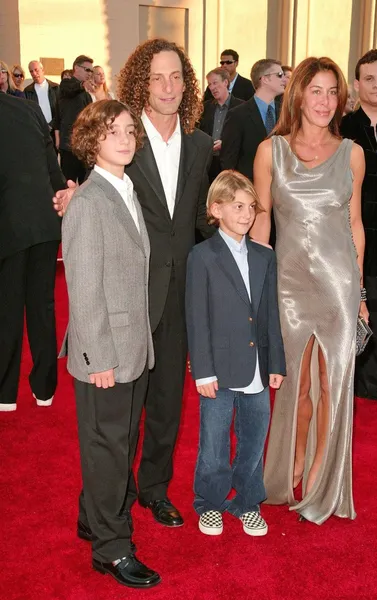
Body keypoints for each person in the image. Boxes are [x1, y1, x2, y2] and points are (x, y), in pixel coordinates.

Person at [53, 39, 214, 529]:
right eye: (156, 77)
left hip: (179, 292)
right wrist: (70, 196)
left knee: (167, 404)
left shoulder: (202, 144)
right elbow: (93, 190)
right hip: (126, 297)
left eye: (175, 77)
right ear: (141, 82)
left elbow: (201, 220)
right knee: (118, 416)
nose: (167, 87)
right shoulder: (123, 137)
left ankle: (154, 489)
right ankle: (108, 501)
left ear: (186, 84)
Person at [251, 56, 367, 524]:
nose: (325, 100)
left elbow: (355, 225)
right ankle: (291, 464)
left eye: (332, 92)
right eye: (316, 90)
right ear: (297, 93)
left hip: (339, 283)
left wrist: (359, 296)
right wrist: (252, 292)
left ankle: (320, 476)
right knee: (295, 385)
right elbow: (261, 223)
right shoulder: (270, 151)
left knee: (331, 383)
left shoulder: (351, 153)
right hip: (289, 284)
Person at [60, 99, 160, 589]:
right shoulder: (89, 201)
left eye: (128, 130)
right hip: (105, 351)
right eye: (112, 131)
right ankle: (111, 548)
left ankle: (92, 515)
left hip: (134, 344)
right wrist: (97, 356)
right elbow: (82, 286)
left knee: (119, 444)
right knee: (109, 448)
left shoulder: (126, 189)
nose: (125, 138)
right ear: (91, 141)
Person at [186, 170, 285, 537]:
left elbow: (270, 313)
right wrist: (202, 371)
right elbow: (197, 317)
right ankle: (209, 503)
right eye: (237, 206)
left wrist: (276, 361)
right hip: (218, 368)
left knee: (254, 437)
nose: (246, 214)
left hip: (258, 367)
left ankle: (246, 501)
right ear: (216, 209)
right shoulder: (202, 256)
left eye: (251, 207)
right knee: (213, 440)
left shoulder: (263, 256)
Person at [341, 49, 377, 404]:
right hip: (348, 236)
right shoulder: (342, 130)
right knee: (349, 310)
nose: (376, 85)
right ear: (357, 84)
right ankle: (348, 380)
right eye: (369, 78)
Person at [0, 92, 65, 411]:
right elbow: (51, 164)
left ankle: (5, 394)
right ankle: (45, 389)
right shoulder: (29, 109)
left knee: (7, 308)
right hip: (44, 221)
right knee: (42, 306)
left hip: (10, 224)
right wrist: (62, 199)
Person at [220, 58, 285, 181]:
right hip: (250, 189)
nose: (284, 79)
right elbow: (228, 161)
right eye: (279, 75)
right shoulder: (238, 115)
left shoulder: (285, 113)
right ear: (264, 79)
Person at [198, 67, 243, 182]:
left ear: (225, 82)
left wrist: (226, 143)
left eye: (215, 83)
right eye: (209, 84)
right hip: (208, 162)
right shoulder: (205, 108)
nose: (212, 87)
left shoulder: (241, 107)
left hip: (231, 164)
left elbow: (244, 136)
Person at [59, 54, 95, 183]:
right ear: (76, 68)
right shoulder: (66, 84)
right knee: (68, 184)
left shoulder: (86, 93)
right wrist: (83, 85)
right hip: (69, 146)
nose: (90, 74)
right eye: (87, 70)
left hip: (83, 146)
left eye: (92, 71)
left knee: (85, 184)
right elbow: (70, 89)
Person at [25, 60, 60, 149]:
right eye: (31, 71)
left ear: (42, 70)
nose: (34, 73)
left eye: (36, 70)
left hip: (53, 132)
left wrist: (51, 125)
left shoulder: (55, 88)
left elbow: (60, 110)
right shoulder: (28, 91)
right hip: (37, 132)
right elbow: (28, 113)